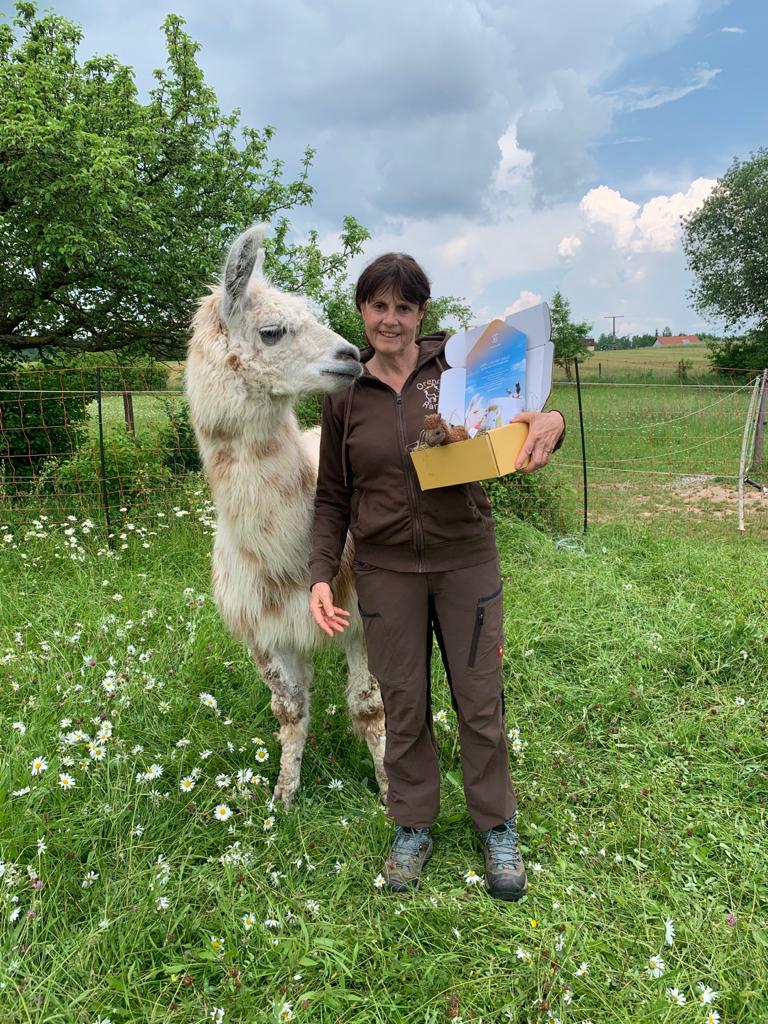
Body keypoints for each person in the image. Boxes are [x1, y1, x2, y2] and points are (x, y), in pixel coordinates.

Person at [308, 253, 564, 901]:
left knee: (479, 700)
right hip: (385, 569)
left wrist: (551, 423)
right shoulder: (343, 392)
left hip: (464, 560)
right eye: (378, 305)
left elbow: (526, 408)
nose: (390, 319)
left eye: (404, 307)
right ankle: (413, 825)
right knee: (404, 703)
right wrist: (318, 573)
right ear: (362, 311)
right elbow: (333, 497)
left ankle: (496, 824)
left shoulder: (457, 363)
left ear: (422, 314)